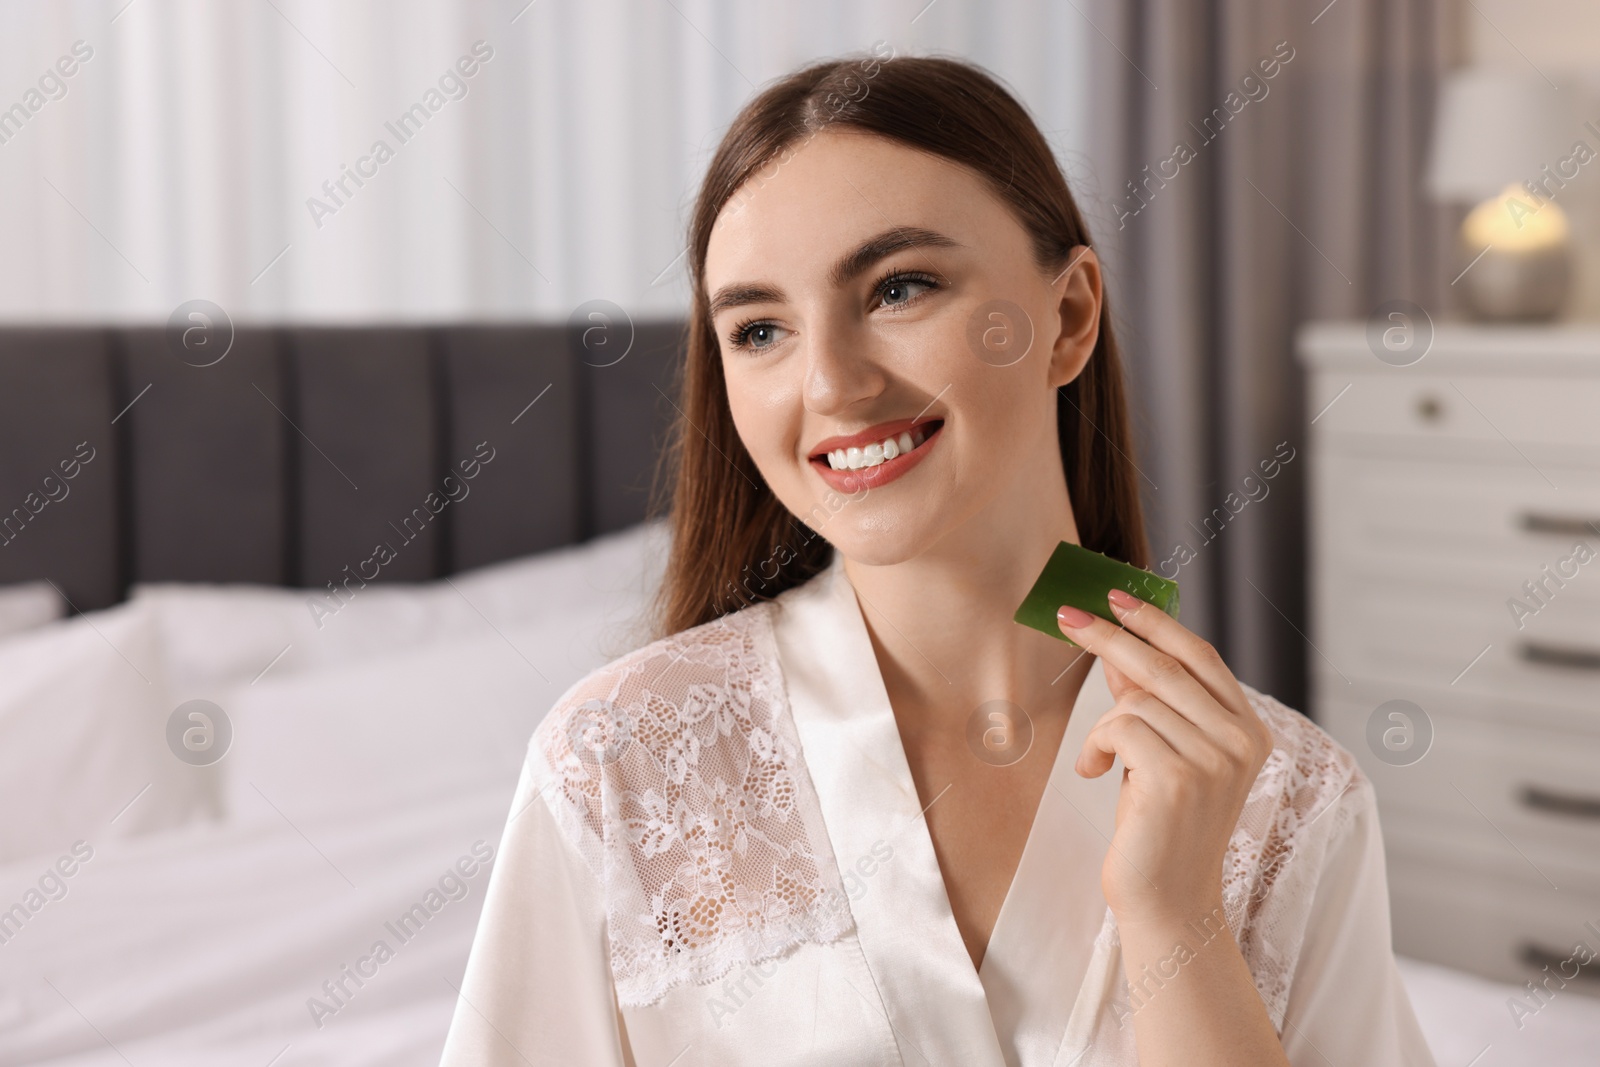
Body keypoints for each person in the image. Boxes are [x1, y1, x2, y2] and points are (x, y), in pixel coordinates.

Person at [440, 53, 1435, 1066]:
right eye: (760, 328)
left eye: (899, 287)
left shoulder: (1293, 798)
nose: (830, 381)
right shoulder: (620, 764)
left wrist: (1176, 913)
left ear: (1070, 316)